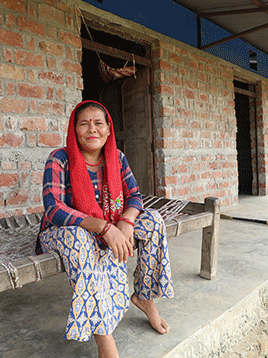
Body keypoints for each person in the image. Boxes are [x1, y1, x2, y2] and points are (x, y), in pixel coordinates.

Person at [37, 100, 174, 358]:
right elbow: (53, 208)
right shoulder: (59, 158)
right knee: (80, 238)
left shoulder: (117, 158)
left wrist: (126, 222)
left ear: (108, 129)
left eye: (98, 123)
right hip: (64, 232)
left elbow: (134, 196)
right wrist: (104, 228)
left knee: (153, 220)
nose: (92, 129)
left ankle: (145, 297)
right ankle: (104, 340)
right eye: (84, 124)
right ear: (73, 129)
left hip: (110, 225)